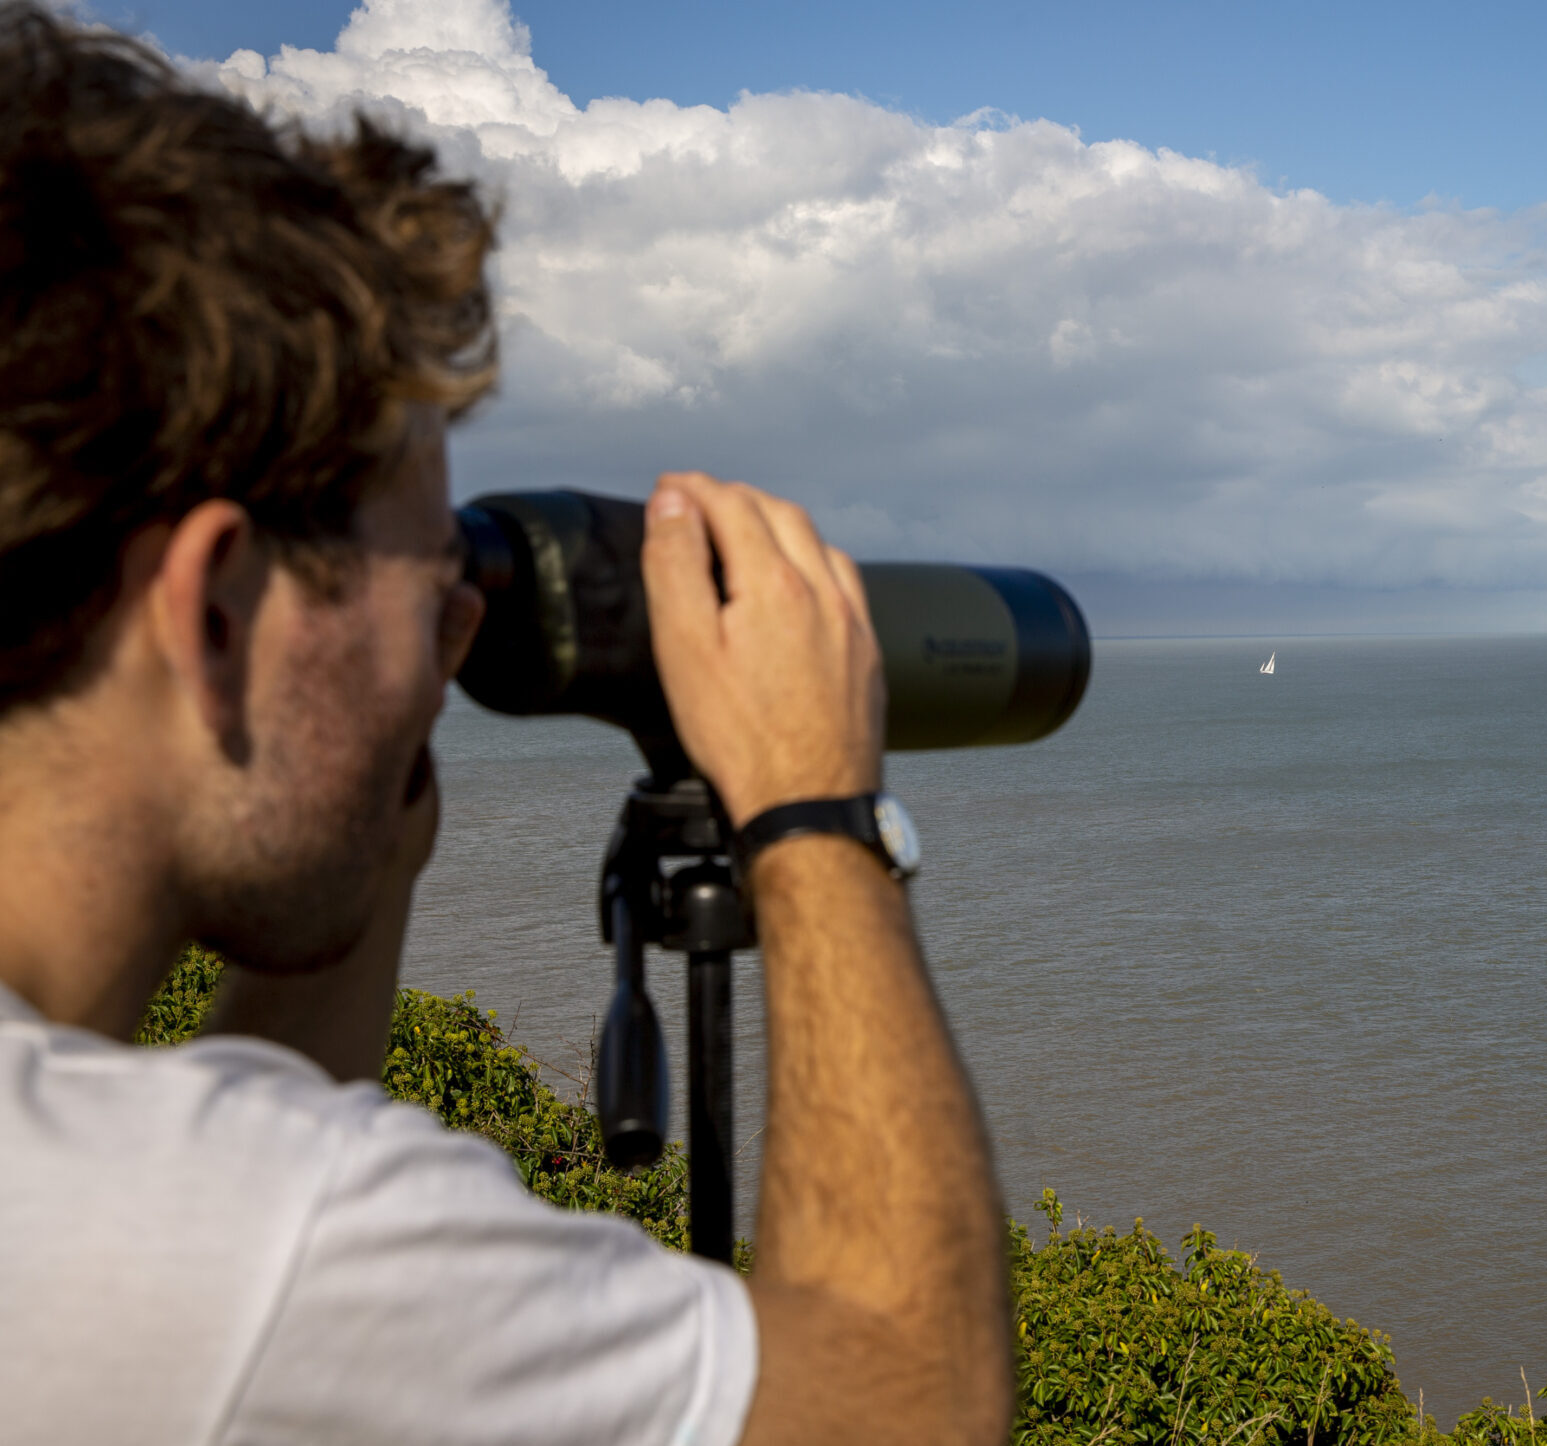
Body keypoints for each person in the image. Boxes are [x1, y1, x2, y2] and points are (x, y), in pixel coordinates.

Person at [0, 7, 1014, 1442]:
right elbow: (910, 1405)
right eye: (434, 581)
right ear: (215, 614)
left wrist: (368, 840)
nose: (451, 654)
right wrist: (815, 813)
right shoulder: (219, 1234)